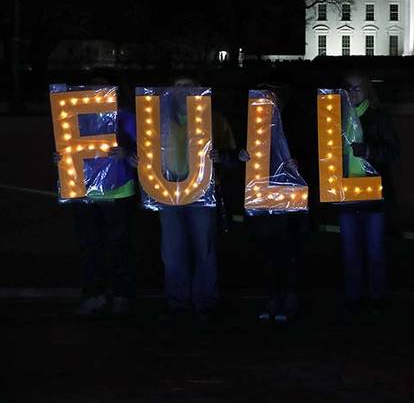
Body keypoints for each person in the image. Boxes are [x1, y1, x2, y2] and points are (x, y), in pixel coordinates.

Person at [156, 76, 237, 321]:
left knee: (205, 249)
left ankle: (206, 302)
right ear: (170, 90)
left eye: (188, 85)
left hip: (203, 194)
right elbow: (146, 152)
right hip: (168, 193)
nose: (182, 90)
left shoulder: (215, 119)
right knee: (172, 252)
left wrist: (222, 157)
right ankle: (178, 302)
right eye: (178, 85)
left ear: (198, 88)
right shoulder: (158, 119)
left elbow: (232, 156)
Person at [57, 76, 138, 317]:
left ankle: (121, 295)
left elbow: (147, 148)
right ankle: (94, 295)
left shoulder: (126, 117)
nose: (97, 92)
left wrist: (128, 152)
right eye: (92, 88)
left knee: (118, 245)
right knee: (90, 246)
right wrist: (59, 157)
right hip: (84, 190)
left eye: (103, 88)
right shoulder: (75, 115)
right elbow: (66, 145)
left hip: (118, 190)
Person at [238, 84, 311, 323]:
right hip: (262, 197)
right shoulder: (250, 122)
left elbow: (314, 152)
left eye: (272, 97)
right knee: (267, 251)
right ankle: (272, 297)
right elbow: (234, 151)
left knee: (288, 250)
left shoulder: (296, 120)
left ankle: (289, 298)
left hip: (288, 198)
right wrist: (240, 155)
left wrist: (300, 162)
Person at [338, 73, 400, 315]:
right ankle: (354, 296)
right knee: (350, 249)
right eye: (349, 88)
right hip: (345, 192)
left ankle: (376, 296)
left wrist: (369, 151)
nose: (353, 92)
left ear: (367, 90)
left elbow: (394, 150)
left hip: (373, 192)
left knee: (374, 248)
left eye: (358, 88)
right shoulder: (335, 116)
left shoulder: (378, 116)